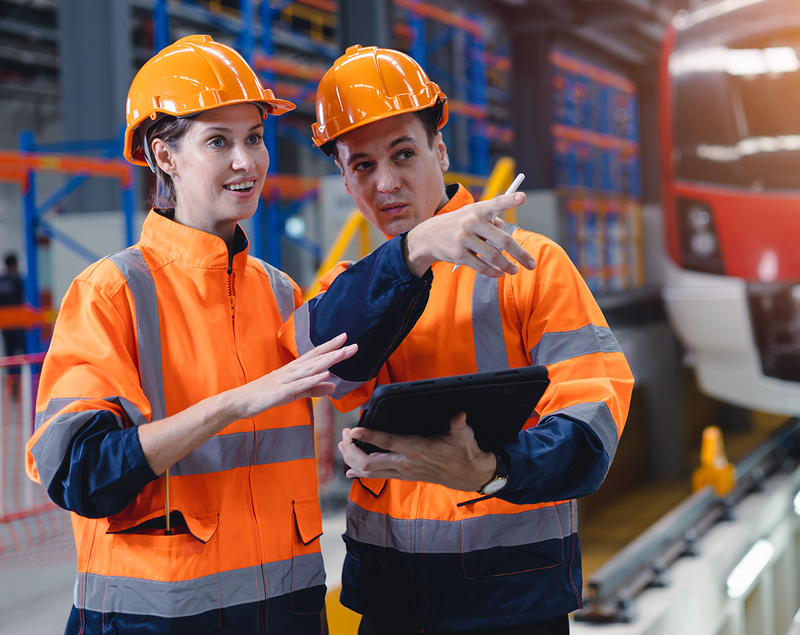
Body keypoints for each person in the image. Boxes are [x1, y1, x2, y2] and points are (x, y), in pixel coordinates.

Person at [24, 36, 441, 635]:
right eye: (218, 141)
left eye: (253, 137)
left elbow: (353, 369)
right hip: (155, 620)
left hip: (288, 613)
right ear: (163, 156)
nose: (246, 161)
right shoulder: (112, 292)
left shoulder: (278, 292)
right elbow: (80, 473)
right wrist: (236, 402)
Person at [284, 45, 635, 634]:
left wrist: (493, 470)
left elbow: (592, 423)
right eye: (363, 166)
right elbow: (323, 365)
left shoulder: (531, 264)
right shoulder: (351, 288)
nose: (387, 182)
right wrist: (415, 250)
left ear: (439, 151)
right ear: (344, 179)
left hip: (513, 599)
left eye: (403, 154)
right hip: (391, 600)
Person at [0, 252, 26, 395]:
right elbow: (23, 299)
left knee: (10, 356)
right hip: (18, 323)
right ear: (15, 264)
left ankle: (13, 383)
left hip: (5, 326)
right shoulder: (17, 280)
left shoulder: (1, 280)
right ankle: (22, 382)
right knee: (25, 354)